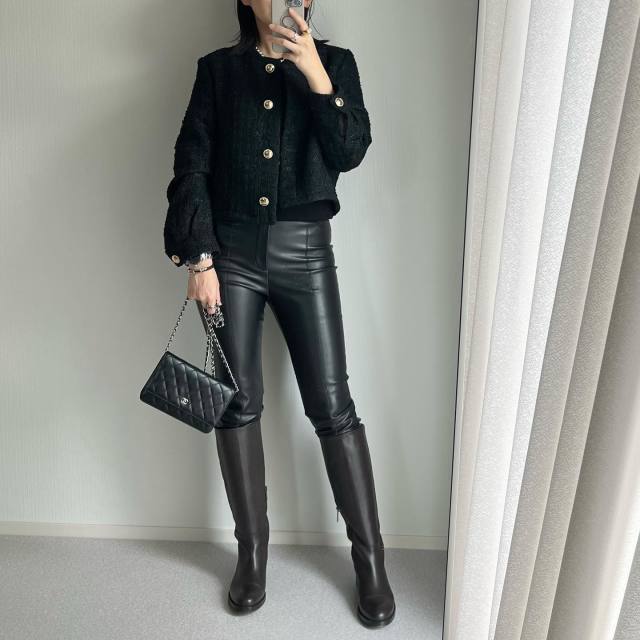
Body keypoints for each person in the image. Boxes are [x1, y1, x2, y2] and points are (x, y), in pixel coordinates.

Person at [163, 0, 395, 628]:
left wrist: (314, 70)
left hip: (306, 253)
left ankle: (371, 564)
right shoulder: (217, 71)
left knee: (333, 406)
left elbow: (350, 150)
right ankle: (252, 556)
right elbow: (192, 162)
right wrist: (198, 256)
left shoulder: (336, 64)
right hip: (229, 256)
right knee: (237, 404)